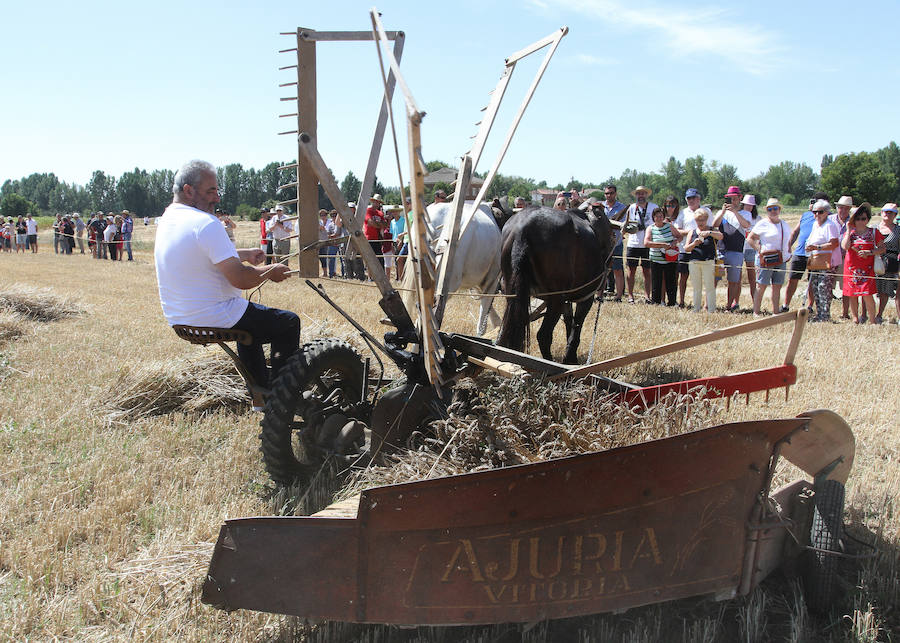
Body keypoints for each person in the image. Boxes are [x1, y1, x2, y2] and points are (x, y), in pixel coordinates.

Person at [155, 160, 297, 410]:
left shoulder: (168, 218)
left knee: (250, 328)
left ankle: (260, 399)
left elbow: (197, 253)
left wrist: (241, 253)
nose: (217, 198)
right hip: (214, 313)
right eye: (211, 191)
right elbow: (241, 279)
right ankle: (281, 398)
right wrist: (270, 270)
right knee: (288, 322)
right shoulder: (206, 223)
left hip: (178, 316)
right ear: (189, 190)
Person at [841, 203, 885, 324]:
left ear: (868, 219)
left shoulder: (874, 232)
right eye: (858, 218)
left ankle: (872, 320)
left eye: (863, 218)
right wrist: (849, 229)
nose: (861, 221)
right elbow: (845, 246)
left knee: (867, 294)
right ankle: (855, 318)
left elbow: (882, 249)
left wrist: (870, 252)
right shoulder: (849, 233)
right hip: (851, 267)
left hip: (867, 268)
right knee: (852, 294)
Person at [784, 192, 828, 312]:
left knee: (811, 281)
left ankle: (809, 306)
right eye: (812, 201)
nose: (812, 204)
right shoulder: (805, 215)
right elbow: (795, 231)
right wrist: (789, 246)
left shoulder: (827, 217)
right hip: (800, 253)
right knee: (792, 279)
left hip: (815, 254)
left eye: (815, 201)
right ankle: (785, 305)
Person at [748, 198, 791, 316]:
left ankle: (775, 312)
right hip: (765, 259)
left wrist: (788, 253)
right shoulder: (762, 223)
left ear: (779, 210)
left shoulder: (784, 224)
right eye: (770, 209)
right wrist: (759, 250)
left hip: (780, 259)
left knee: (777, 285)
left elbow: (788, 241)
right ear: (767, 211)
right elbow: (750, 238)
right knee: (761, 285)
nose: (773, 211)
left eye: (775, 208)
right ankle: (756, 312)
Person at [804, 200, 842, 322]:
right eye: (814, 212)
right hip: (816, 261)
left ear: (826, 212)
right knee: (815, 287)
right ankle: (819, 313)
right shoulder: (815, 224)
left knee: (824, 287)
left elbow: (834, 243)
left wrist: (817, 247)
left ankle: (825, 315)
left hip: (828, 261)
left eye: (820, 212)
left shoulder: (830, 225)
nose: (817, 215)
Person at [684, 207, 722, 313]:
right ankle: (696, 308)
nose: (700, 222)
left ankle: (711, 309)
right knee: (696, 287)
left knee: (710, 286)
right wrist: (694, 244)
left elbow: (721, 236)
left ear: (706, 219)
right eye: (698, 220)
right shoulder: (692, 232)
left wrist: (709, 233)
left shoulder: (711, 229)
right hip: (694, 261)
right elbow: (686, 248)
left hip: (708, 261)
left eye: (702, 220)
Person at [624, 185, 657, 303]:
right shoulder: (631, 208)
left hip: (648, 244)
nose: (641, 196)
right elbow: (626, 225)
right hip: (633, 243)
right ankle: (630, 296)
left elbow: (658, 223)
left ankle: (647, 296)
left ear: (647, 195)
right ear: (636, 195)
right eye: (638, 194)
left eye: (643, 193)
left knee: (647, 271)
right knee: (630, 270)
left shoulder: (654, 207)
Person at [643, 206, 681, 306]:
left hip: (670, 259)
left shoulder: (669, 226)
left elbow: (679, 236)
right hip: (655, 259)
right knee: (656, 282)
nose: (659, 218)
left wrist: (674, 242)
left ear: (664, 217)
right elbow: (646, 243)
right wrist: (662, 245)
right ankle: (656, 302)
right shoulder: (650, 228)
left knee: (671, 282)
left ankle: (672, 302)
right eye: (657, 216)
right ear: (653, 217)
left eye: (661, 216)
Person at [600, 185, 627, 301]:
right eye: (606, 193)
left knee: (617, 269)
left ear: (615, 194)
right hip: (602, 243)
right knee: (601, 270)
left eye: (611, 193)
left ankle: (619, 296)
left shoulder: (622, 208)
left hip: (616, 243)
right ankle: (599, 294)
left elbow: (625, 225)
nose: (609, 195)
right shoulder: (600, 207)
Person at [876, 203, 900, 323]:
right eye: (885, 211)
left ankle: (879, 315)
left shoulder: (898, 230)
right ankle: (866, 314)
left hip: (891, 262)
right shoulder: (874, 227)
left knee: (885, 290)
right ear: (881, 212)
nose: (887, 214)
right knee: (871, 288)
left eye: (890, 212)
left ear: (895, 215)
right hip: (874, 260)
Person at [831, 195, 854, 318]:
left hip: (846, 258)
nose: (843, 210)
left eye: (846, 208)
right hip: (831, 257)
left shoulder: (854, 221)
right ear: (837, 207)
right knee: (828, 285)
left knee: (846, 287)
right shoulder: (829, 219)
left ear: (849, 209)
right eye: (841, 207)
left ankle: (845, 313)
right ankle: (826, 311)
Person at [364, 193, 388, 273]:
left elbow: (385, 224)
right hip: (369, 239)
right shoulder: (368, 210)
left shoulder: (380, 213)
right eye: (376, 202)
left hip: (378, 239)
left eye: (378, 202)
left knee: (380, 259)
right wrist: (379, 225)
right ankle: (370, 277)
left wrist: (377, 224)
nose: (377, 204)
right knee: (370, 259)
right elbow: (371, 222)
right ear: (372, 202)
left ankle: (381, 275)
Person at [389, 205, 406, 280]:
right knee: (396, 260)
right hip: (395, 242)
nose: (395, 213)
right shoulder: (392, 222)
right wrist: (392, 244)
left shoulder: (404, 220)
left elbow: (405, 232)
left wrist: (401, 241)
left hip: (402, 241)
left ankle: (403, 277)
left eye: (396, 211)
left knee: (402, 260)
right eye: (393, 212)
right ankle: (398, 277)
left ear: (399, 212)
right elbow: (392, 233)